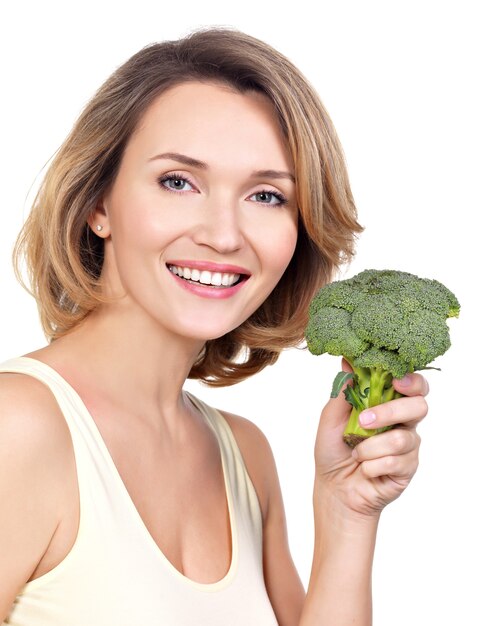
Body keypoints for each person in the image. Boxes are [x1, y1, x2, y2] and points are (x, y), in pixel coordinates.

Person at [0, 28, 427, 626]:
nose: (224, 235)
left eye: (266, 196)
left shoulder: (244, 457)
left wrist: (347, 512)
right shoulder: (16, 428)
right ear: (99, 204)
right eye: (178, 182)